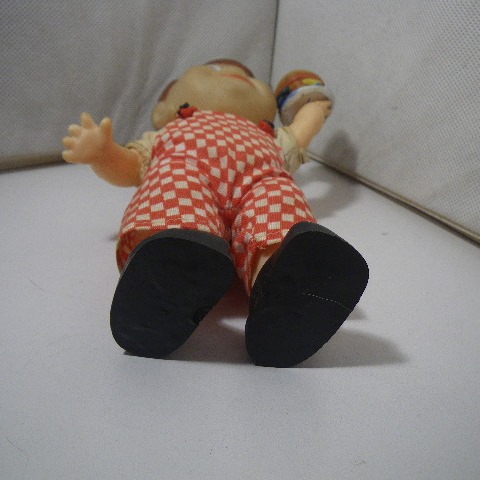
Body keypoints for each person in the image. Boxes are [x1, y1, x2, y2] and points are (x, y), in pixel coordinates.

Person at [62, 59, 368, 367]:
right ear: (164, 108)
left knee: (280, 204)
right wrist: (103, 154)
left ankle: (284, 281)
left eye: (251, 78)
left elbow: (306, 124)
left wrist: (311, 98)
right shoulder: (164, 132)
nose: (238, 74)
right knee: (172, 191)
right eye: (215, 71)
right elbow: (131, 166)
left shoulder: (274, 138)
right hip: (186, 171)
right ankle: (165, 268)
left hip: (261, 181)